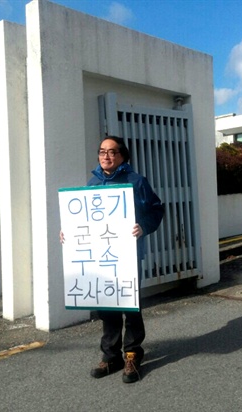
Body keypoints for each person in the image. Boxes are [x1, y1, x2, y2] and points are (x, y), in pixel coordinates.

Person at [61, 136, 164, 383]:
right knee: (106, 306)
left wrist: (144, 226)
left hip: (126, 257)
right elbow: (84, 218)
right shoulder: (93, 182)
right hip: (100, 259)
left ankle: (132, 354)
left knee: (130, 305)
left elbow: (156, 209)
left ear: (122, 156)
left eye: (112, 152)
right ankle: (110, 356)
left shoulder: (136, 182)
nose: (106, 156)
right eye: (102, 152)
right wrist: (69, 232)